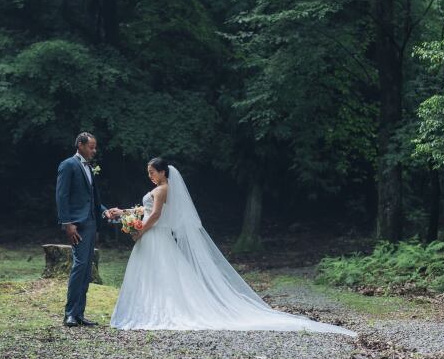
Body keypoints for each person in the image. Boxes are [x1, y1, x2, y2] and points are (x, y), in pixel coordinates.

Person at [109, 157, 357, 336]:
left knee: (163, 274)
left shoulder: (163, 189)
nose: (150, 176)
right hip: (152, 236)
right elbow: (145, 210)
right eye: (149, 173)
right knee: (154, 275)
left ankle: (161, 310)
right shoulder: (158, 189)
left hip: (154, 235)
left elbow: (155, 216)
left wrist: (140, 230)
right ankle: (149, 307)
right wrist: (124, 213)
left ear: (163, 172)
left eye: (152, 172)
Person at [55, 132, 118, 327]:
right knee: (80, 266)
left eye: (94, 147)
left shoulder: (88, 167)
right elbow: (62, 196)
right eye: (91, 147)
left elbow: (91, 199)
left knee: (86, 269)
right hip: (77, 225)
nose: (94, 150)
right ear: (80, 145)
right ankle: (70, 314)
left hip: (91, 223)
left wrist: (105, 211)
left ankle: (79, 313)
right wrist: (67, 224)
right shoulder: (68, 165)